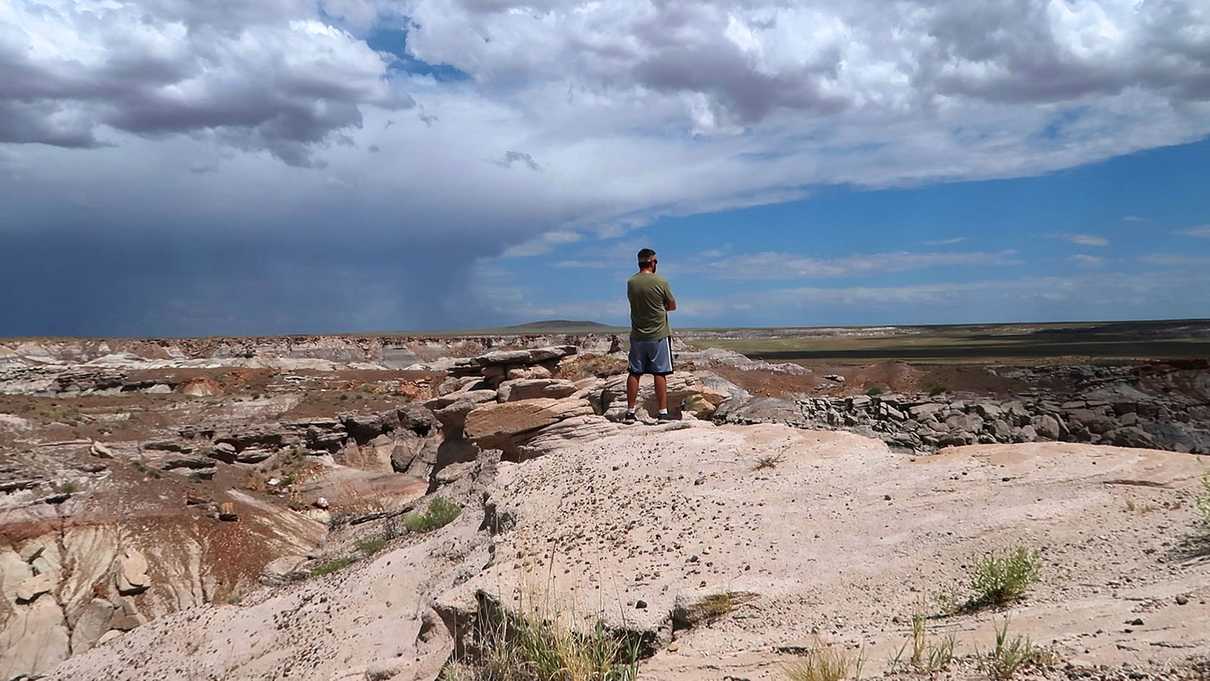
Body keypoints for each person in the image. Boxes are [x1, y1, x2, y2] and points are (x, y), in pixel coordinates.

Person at [624, 248, 676, 423]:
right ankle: (662, 413)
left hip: (638, 334)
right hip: (658, 334)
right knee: (659, 373)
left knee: (634, 372)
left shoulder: (631, 282)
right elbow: (672, 305)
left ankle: (630, 412)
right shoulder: (661, 281)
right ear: (653, 262)